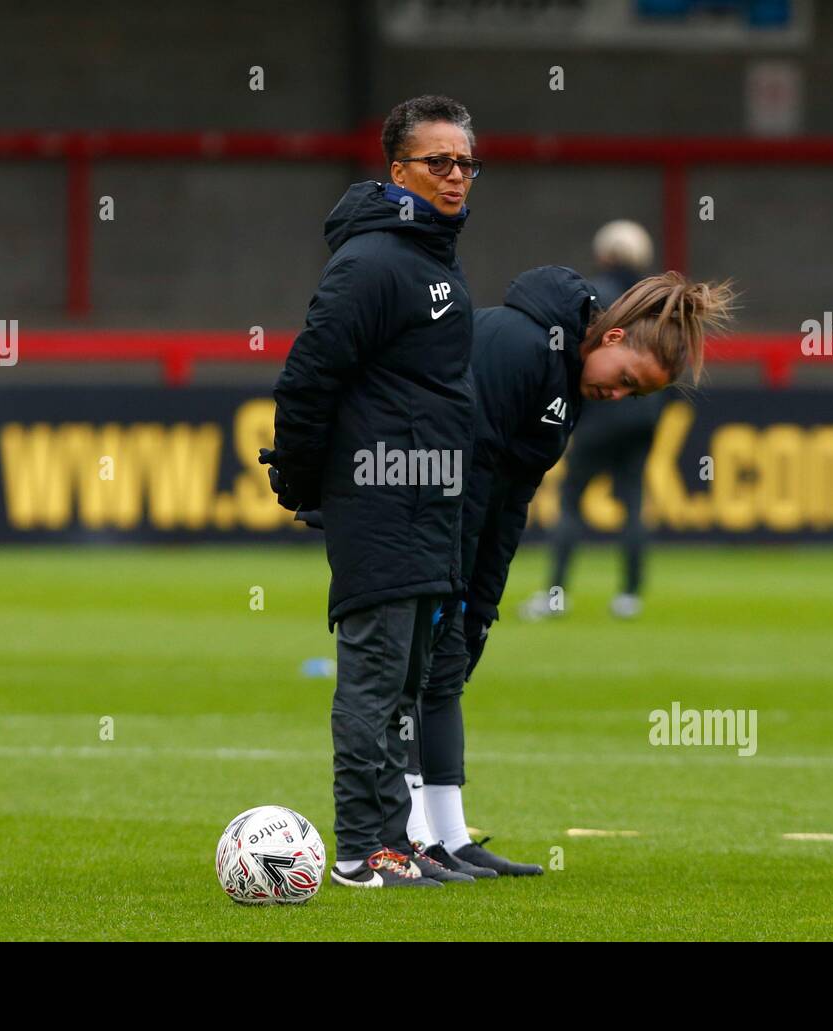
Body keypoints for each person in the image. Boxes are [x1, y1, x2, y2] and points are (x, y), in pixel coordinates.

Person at [407, 268, 735, 876]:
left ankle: (449, 835)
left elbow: (513, 492)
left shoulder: (564, 378)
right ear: (611, 342)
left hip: (461, 529)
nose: (619, 396)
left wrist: (482, 598)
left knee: (447, 667)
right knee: (411, 670)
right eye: (627, 381)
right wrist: (452, 577)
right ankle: (407, 838)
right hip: (418, 517)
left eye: (637, 396)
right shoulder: (519, 347)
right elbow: (467, 470)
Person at [262, 95, 483, 888]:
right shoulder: (374, 262)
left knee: (412, 682)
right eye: (439, 162)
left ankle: (398, 836)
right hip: (385, 499)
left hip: (430, 500)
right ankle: (361, 849)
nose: (456, 176)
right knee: (376, 677)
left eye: (465, 163)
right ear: (399, 171)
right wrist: (300, 473)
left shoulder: (429, 256)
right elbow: (309, 374)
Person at [522, 219, 663, 621]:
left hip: (601, 416)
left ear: (604, 254)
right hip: (644, 417)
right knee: (633, 500)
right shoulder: (654, 301)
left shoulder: (598, 294)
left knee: (570, 501)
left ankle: (556, 595)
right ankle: (630, 596)